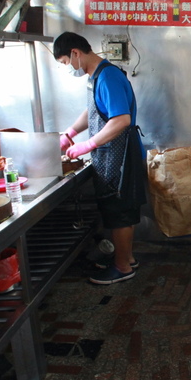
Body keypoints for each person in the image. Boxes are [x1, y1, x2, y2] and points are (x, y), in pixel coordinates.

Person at [53, 32, 147, 285]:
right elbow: (94, 108)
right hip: (110, 157)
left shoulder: (108, 77)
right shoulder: (96, 77)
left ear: (75, 53)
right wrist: (71, 133)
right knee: (119, 212)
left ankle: (122, 267)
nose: (66, 68)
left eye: (64, 62)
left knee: (120, 213)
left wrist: (88, 144)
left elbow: (121, 120)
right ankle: (126, 258)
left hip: (121, 157)